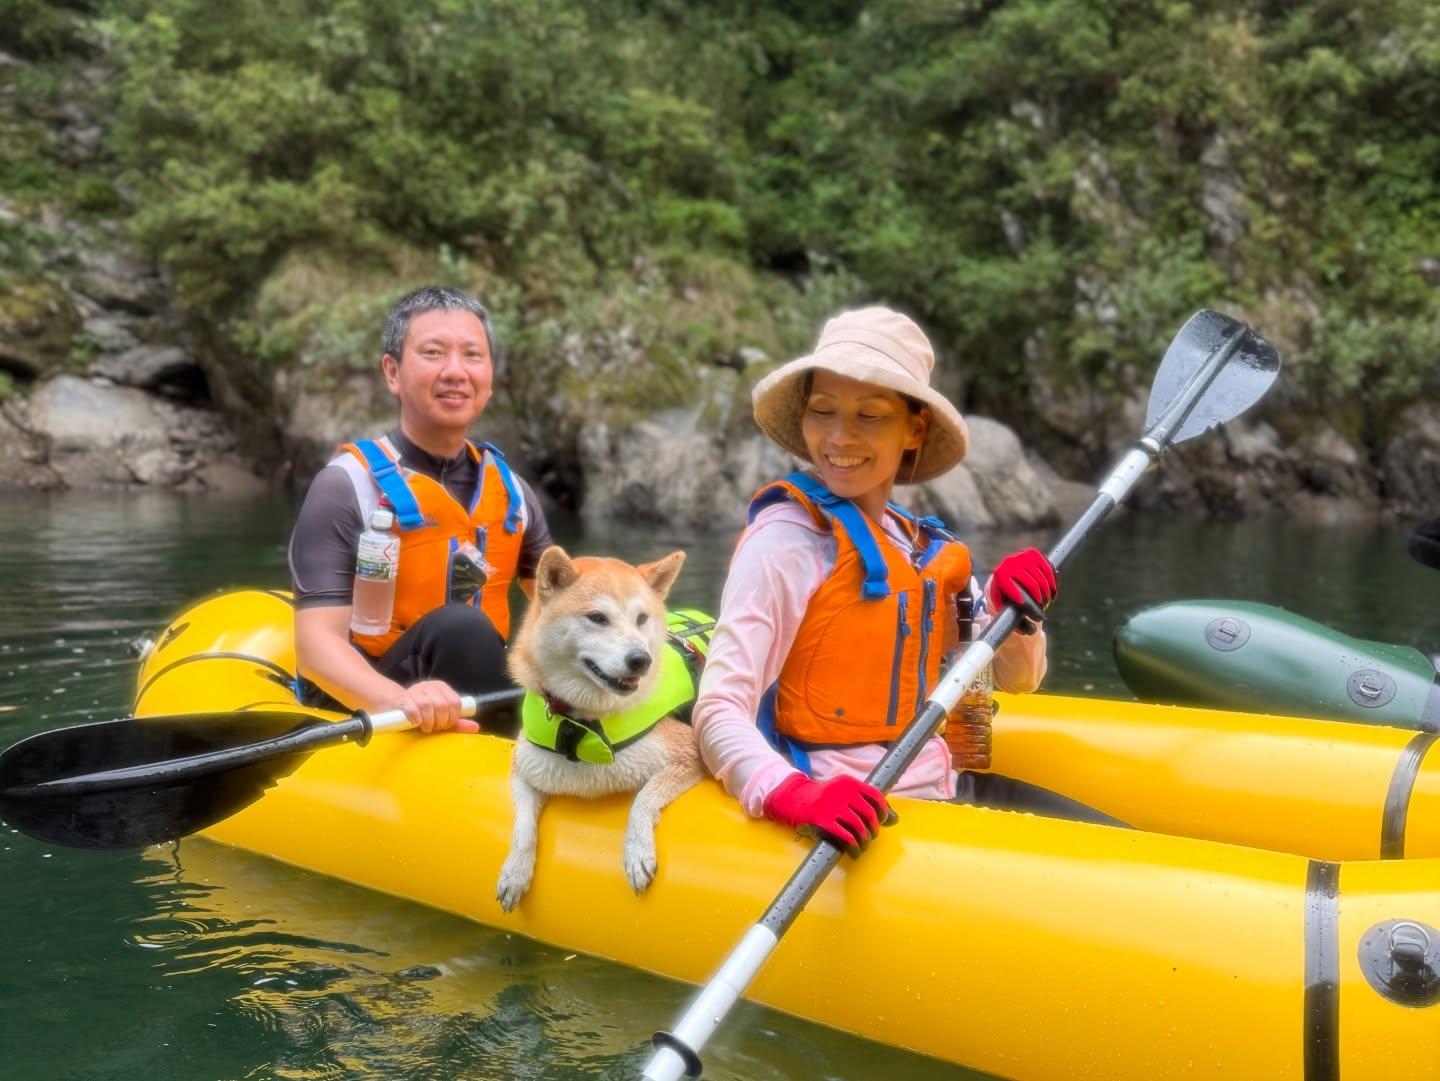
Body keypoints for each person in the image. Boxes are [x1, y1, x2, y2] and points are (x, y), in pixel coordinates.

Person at [693, 306, 1118, 852]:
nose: (839, 436)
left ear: (914, 429)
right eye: (822, 410)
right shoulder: (785, 541)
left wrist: (1014, 613)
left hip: (946, 789)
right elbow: (718, 710)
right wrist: (793, 795)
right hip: (855, 816)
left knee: (1127, 852)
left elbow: (1020, 679)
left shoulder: (921, 545)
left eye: (869, 416)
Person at [288, 285, 553, 734]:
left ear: (490, 377)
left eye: (473, 355)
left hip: (475, 687)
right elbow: (316, 650)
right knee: (461, 628)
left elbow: (565, 605)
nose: (456, 371)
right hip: (369, 698)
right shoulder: (344, 486)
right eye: (433, 353)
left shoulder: (514, 494)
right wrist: (403, 701)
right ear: (392, 372)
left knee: (480, 635)